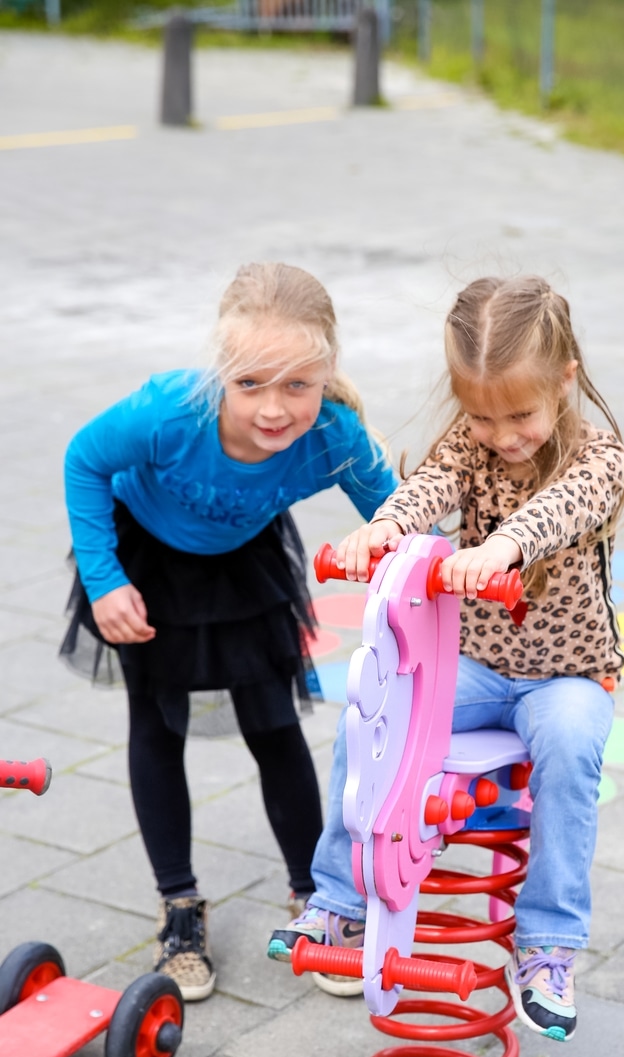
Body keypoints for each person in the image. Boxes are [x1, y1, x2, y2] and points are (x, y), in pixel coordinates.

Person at [269, 274, 624, 1037]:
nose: (503, 436)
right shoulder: (470, 443)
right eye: (482, 416)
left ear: (564, 379)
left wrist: (501, 545)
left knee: (570, 747)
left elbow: (563, 510)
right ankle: (336, 897)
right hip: (475, 666)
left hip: (564, 675)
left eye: (521, 414)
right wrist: (387, 528)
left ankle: (549, 944)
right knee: (371, 710)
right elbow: (428, 484)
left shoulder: (598, 456)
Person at [61, 261, 398, 1002]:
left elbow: (402, 514)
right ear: (222, 371)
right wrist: (104, 578)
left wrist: (434, 573)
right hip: (145, 559)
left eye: (296, 386)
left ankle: (319, 899)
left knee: (275, 726)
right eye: (250, 385)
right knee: (157, 726)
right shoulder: (170, 412)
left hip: (246, 565)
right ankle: (179, 908)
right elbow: (84, 459)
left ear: (327, 372)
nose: (273, 410)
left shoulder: (335, 436)